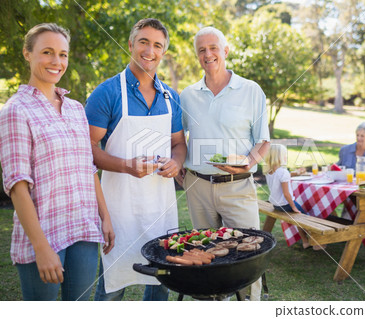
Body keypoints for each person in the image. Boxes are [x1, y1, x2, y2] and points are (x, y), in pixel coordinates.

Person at [0, 23, 114, 301]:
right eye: (47, 52)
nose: (56, 61)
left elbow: (88, 169)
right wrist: (41, 248)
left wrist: (105, 216)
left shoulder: (75, 109)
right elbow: (17, 186)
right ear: (28, 54)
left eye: (62, 54)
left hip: (84, 228)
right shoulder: (16, 110)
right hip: (44, 233)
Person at [85, 18, 186, 301]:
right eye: (143, 42)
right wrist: (126, 166)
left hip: (160, 209)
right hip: (118, 209)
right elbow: (86, 148)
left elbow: (179, 144)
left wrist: (177, 162)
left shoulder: (170, 97)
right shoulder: (107, 93)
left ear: (163, 52)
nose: (149, 50)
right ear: (131, 45)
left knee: (161, 281)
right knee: (112, 286)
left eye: (157, 45)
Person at [178, 26, 270, 301]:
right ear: (197, 56)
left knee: (247, 255)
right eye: (201, 50)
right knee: (206, 254)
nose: (208, 54)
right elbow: (178, 138)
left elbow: (263, 141)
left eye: (213, 48)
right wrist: (180, 167)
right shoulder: (187, 95)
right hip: (198, 187)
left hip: (238, 187)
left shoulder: (250, 90)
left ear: (225, 51)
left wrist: (248, 163)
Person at [264, 145, 310, 249]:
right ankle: (314, 243)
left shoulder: (269, 171)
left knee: (299, 218)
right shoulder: (283, 172)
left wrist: (296, 173)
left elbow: (281, 178)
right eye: (284, 155)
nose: (286, 157)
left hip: (276, 205)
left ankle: (305, 241)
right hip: (286, 204)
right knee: (305, 218)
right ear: (278, 157)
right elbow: (286, 194)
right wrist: (293, 207)